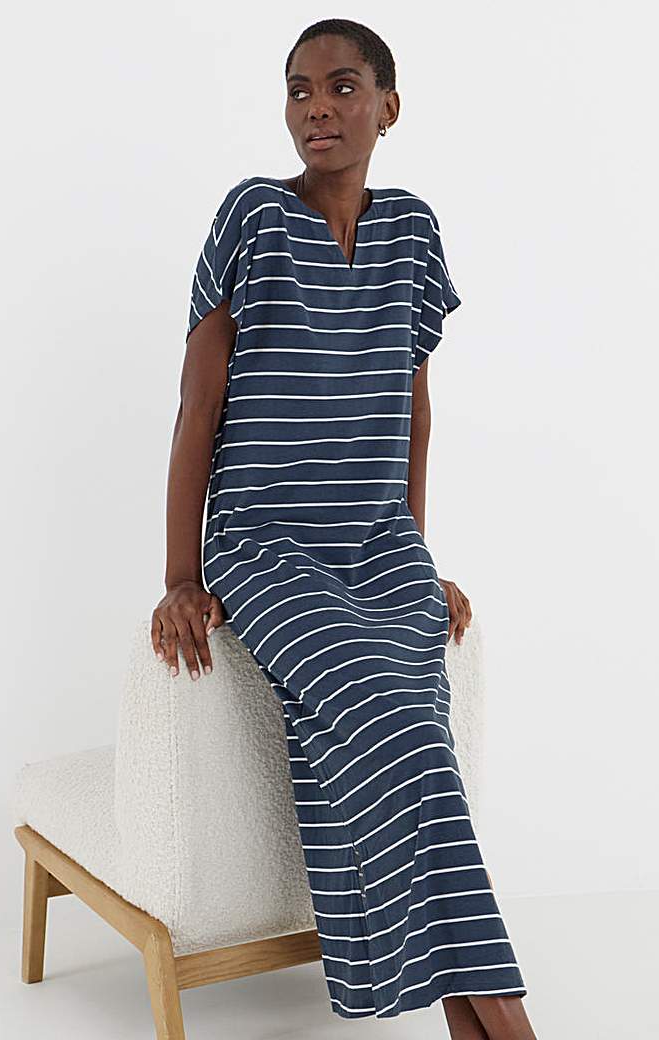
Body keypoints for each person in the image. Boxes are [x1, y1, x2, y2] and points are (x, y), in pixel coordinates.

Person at [151, 17, 538, 1039]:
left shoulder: (414, 231)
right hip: (264, 543)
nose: (317, 108)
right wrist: (182, 573)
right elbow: (198, 404)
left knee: (412, 726)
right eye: (299, 90)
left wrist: (417, 551)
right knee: (388, 715)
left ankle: (469, 1014)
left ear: (388, 106)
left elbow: (413, 410)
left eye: (342, 86)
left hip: (378, 545)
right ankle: (498, 1017)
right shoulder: (251, 216)